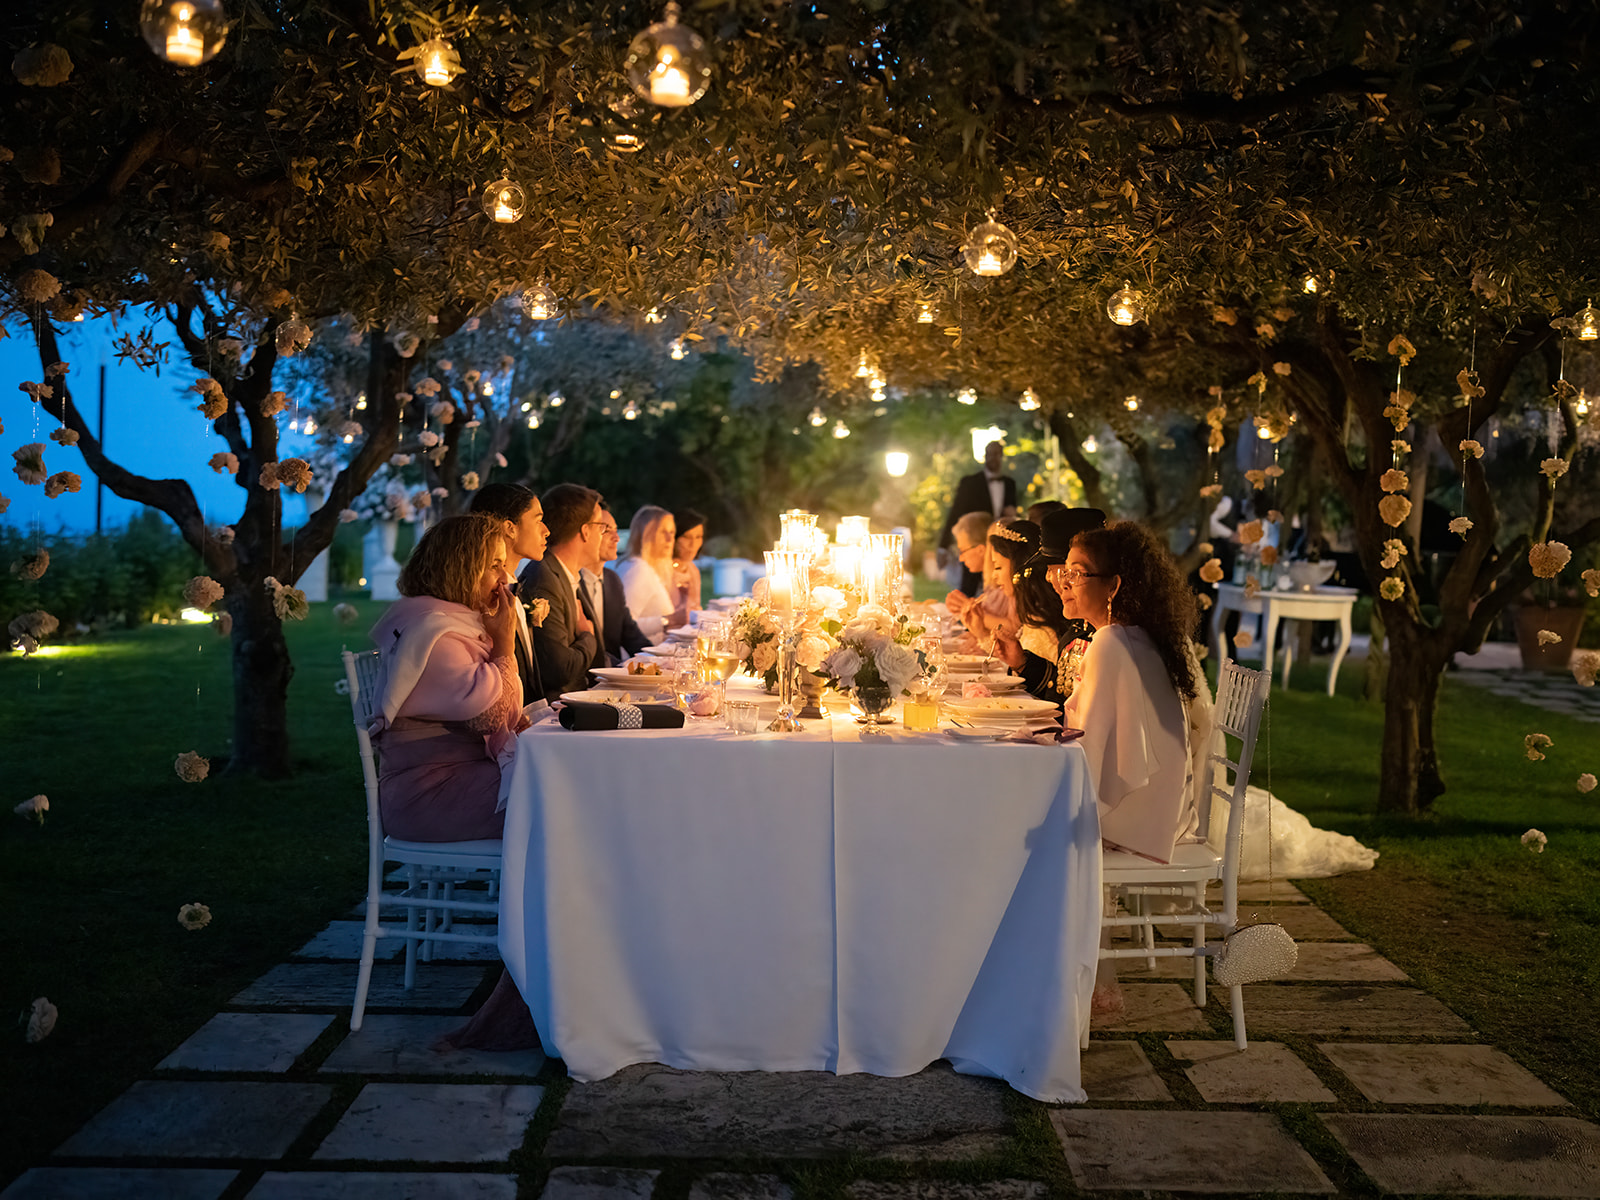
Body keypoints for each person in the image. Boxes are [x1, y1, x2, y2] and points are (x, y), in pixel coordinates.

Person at [998, 518, 1200, 865]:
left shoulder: (1110, 642)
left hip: (1140, 819)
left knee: (1010, 819)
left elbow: (1088, 750)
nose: (1064, 584)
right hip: (1165, 809)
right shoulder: (1131, 635)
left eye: (1076, 574)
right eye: (1065, 574)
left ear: (1113, 586)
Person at [367, 513, 524, 842]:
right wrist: (505, 649)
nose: (506, 576)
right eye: (495, 565)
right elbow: (489, 717)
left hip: (461, 778)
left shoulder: (451, 623)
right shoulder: (433, 632)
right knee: (560, 800)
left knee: (564, 789)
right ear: (463, 569)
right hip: (428, 796)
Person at [521, 483, 606, 702]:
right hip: (560, 712)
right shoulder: (544, 578)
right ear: (585, 531)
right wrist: (588, 637)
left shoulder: (568, 575)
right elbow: (559, 670)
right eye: (601, 527)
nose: (603, 535)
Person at [469, 483, 549, 705]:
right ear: (510, 528)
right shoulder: (485, 599)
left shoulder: (515, 589)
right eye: (538, 519)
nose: (546, 530)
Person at [939, 440, 1017, 592]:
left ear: (1002, 456)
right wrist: (943, 546)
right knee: (968, 585)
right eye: (990, 454)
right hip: (974, 542)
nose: (993, 458)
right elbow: (955, 512)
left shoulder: (1009, 484)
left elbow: (1011, 512)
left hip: (999, 541)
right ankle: (965, 611)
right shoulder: (970, 483)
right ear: (985, 456)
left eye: (997, 454)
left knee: (998, 586)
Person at [584, 502, 653, 666]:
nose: (616, 538)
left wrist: (661, 662)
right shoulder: (571, 582)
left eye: (616, 530)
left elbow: (631, 635)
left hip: (611, 678)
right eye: (606, 530)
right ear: (585, 533)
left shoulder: (612, 580)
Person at [616, 505, 688, 643]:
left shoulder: (649, 568)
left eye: (672, 532)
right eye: (662, 532)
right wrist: (668, 621)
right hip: (636, 660)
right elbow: (621, 626)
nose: (669, 539)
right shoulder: (637, 569)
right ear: (646, 534)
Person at [671, 507, 706, 614]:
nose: (693, 544)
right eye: (686, 537)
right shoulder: (660, 571)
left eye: (698, 537)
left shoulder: (692, 570)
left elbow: (695, 610)